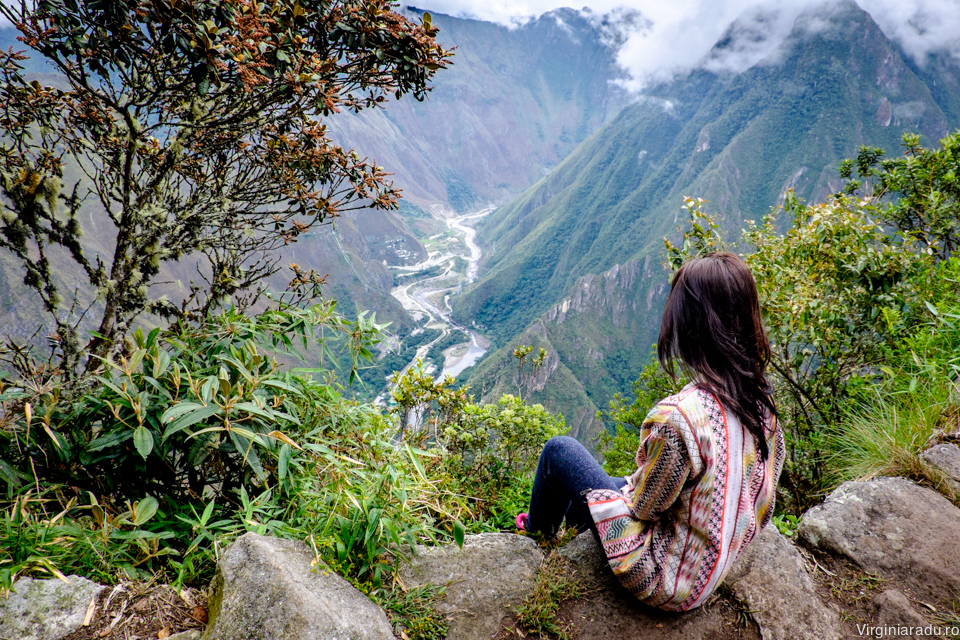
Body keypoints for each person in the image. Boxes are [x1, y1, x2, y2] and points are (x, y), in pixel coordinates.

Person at [516, 251, 785, 612]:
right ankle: (570, 525)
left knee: (559, 452)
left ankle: (535, 535)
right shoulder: (762, 406)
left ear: (688, 324)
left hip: (663, 580)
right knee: (604, 482)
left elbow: (645, 507)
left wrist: (630, 489)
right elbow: (762, 508)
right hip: (712, 568)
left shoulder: (681, 418)